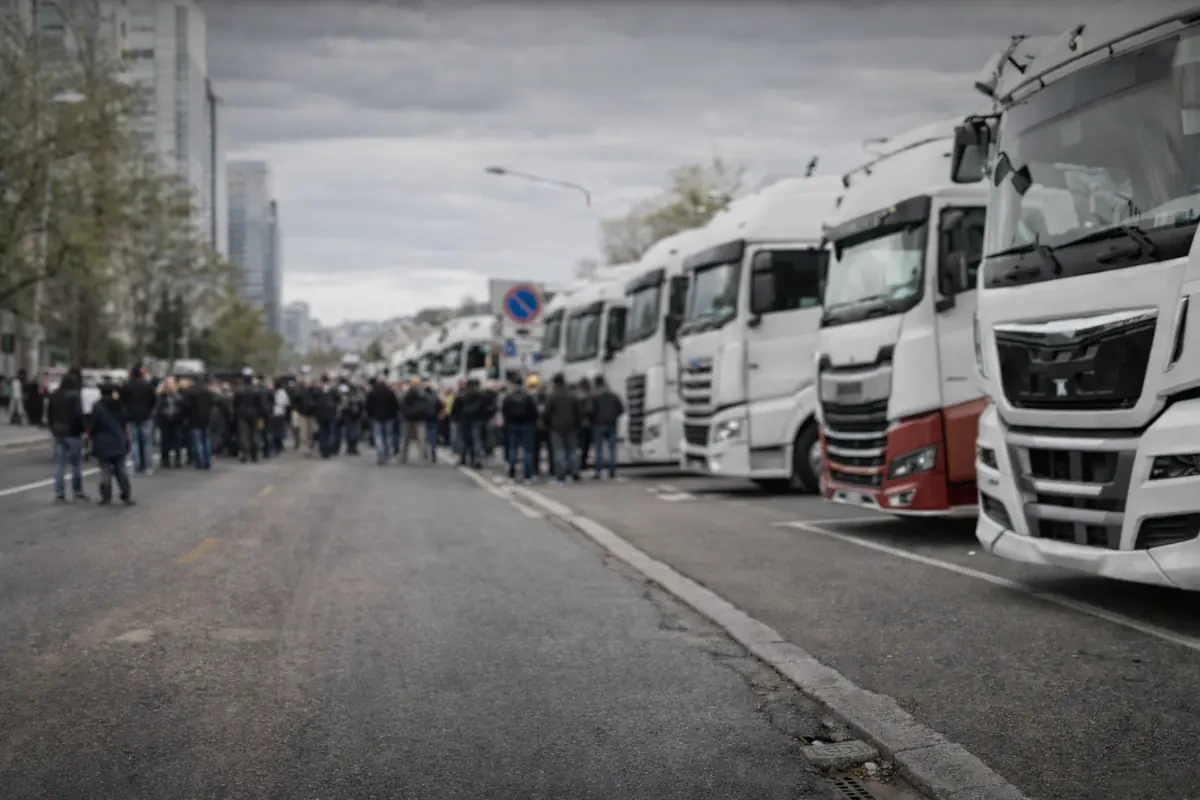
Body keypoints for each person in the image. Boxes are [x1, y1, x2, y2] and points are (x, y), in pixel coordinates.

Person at [91, 381, 134, 506]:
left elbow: (93, 425)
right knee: (121, 469)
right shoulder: (119, 405)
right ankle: (126, 494)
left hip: (102, 441)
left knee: (105, 470)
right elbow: (126, 420)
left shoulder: (97, 406)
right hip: (118, 440)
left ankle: (106, 496)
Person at [47, 370, 87, 502]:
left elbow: (49, 413)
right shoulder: (75, 396)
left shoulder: (55, 395)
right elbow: (78, 415)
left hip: (58, 432)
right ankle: (77, 491)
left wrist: (52, 428)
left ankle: (59, 492)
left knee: (60, 464)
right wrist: (83, 429)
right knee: (76, 464)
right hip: (73, 433)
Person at [542, 372, 581, 484]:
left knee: (559, 451)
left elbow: (547, 413)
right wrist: (578, 425)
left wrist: (547, 424)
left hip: (557, 427)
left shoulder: (552, 396)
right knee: (572, 451)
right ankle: (574, 473)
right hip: (572, 426)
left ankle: (561, 475)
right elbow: (578, 412)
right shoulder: (572, 395)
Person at [501, 375, 539, 483]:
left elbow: (505, 411)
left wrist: (507, 422)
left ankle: (512, 472)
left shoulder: (508, 397)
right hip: (527, 424)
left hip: (512, 425)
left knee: (513, 449)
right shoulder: (528, 397)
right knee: (528, 450)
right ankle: (528, 475)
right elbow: (534, 412)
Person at [121, 364, 157, 475]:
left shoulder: (127, 385)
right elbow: (154, 400)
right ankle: (148, 466)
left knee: (134, 442)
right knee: (147, 443)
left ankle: (136, 465)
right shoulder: (148, 385)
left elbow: (123, 401)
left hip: (132, 416)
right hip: (146, 416)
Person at [589, 375, 624, 480]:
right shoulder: (613, 395)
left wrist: (593, 420)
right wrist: (614, 416)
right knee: (612, 449)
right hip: (612, 424)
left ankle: (598, 472)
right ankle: (612, 471)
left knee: (599, 450)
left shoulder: (594, 397)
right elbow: (621, 409)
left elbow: (590, 411)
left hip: (598, 424)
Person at [182, 375, 215, 470]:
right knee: (206, 441)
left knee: (197, 442)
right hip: (206, 418)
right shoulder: (208, 392)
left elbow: (186, 406)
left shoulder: (190, 392)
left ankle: (200, 462)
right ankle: (207, 461)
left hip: (194, 419)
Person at [366, 376, 399, 465]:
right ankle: (387, 455)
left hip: (376, 417)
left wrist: (370, 415)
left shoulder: (373, 393)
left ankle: (381, 455)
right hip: (389, 418)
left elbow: (368, 405)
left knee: (378, 437)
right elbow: (395, 406)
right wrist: (393, 415)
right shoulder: (390, 392)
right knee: (388, 436)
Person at [233, 369, 264, 463]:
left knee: (244, 434)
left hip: (242, 414)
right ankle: (254, 454)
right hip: (255, 414)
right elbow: (260, 404)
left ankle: (245, 454)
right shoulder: (256, 390)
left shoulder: (239, 390)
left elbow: (235, 404)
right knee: (255, 433)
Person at [399, 378, 431, 464]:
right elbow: (426, 406)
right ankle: (423, 459)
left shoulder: (406, 394)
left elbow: (402, 405)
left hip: (408, 419)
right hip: (420, 419)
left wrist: (407, 413)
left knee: (406, 440)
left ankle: (403, 458)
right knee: (421, 439)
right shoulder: (422, 394)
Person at [155, 375, 185, 468]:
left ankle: (176, 460)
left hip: (176, 420)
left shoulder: (179, 395)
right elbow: (158, 407)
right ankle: (166, 459)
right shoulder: (162, 395)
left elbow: (183, 406)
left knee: (176, 440)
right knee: (166, 440)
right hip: (165, 420)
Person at [315, 374, 339, 458]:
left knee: (322, 432)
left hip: (320, 414)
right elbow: (338, 399)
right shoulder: (333, 390)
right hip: (331, 414)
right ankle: (328, 449)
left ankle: (323, 449)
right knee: (330, 432)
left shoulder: (318, 390)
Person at [577, 377, 594, 471]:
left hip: (579, 424)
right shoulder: (589, 397)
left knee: (580, 445)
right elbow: (589, 410)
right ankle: (582, 463)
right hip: (587, 424)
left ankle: (580, 463)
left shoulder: (577, 397)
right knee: (585, 445)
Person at [271, 378, 291, 456]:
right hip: (280, 413)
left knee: (274, 431)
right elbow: (287, 403)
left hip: (273, 413)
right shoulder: (283, 392)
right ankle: (279, 446)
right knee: (279, 431)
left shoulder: (272, 391)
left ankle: (276, 445)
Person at [423, 382, 442, 463]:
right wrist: (438, 414)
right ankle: (433, 454)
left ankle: (426, 455)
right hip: (434, 419)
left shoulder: (423, 397)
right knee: (433, 438)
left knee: (424, 438)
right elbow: (441, 406)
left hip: (424, 419)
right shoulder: (435, 397)